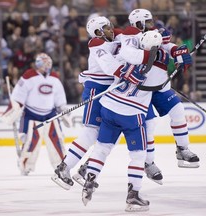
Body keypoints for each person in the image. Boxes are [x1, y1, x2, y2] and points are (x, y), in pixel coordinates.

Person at [51, 16, 162, 190]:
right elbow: (109, 66)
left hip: (112, 90)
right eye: (106, 27)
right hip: (96, 88)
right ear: (98, 32)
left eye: (110, 26)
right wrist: (125, 73)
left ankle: (87, 169)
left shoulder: (117, 37)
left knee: (109, 133)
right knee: (90, 132)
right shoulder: (96, 44)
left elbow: (130, 39)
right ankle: (63, 168)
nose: (111, 29)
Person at [81, 30, 166, 212]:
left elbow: (113, 66)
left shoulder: (126, 54)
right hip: (132, 114)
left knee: (102, 148)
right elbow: (162, 87)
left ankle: (89, 180)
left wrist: (127, 71)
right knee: (138, 154)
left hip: (109, 107)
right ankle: (133, 195)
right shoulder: (160, 68)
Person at [119, 8, 199, 168]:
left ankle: (182, 148)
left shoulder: (155, 32)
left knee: (178, 111)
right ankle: (148, 163)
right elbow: (128, 54)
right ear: (138, 23)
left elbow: (167, 46)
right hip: (140, 90)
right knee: (149, 126)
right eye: (147, 22)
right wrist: (154, 54)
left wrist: (177, 52)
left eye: (151, 21)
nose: (151, 24)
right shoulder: (129, 36)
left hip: (160, 87)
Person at [2, 53, 70, 175]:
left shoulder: (54, 77)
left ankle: (61, 166)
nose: (47, 66)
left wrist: (63, 109)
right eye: (45, 64)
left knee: (57, 141)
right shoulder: (29, 76)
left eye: (48, 64)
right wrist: (14, 109)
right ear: (38, 64)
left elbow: (59, 96)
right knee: (31, 142)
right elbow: (18, 94)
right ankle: (25, 165)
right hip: (31, 115)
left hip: (50, 115)